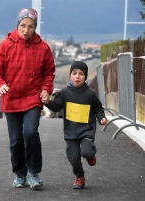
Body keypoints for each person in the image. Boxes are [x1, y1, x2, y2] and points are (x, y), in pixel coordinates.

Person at [0, 8, 55, 189]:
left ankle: (34, 173)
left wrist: (46, 89)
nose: (26, 30)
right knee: (16, 138)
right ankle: (20, 174)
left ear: (35, 27)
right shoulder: (5, 46)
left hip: (33, 97)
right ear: (17, 25)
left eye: (31, 26)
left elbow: (48, 73)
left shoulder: (43, 47)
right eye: (23, 25)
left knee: (30, 132)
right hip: (10, 97)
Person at [41, 61, 107, 189]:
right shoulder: (65, 92)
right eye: (74, 73)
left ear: (85, 76)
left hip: (86, 130)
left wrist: (101, 118)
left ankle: (90, 155)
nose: (77, 76)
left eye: (81, 74)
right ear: (70, 75)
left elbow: (98, 108)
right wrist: (48, 102)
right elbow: (56, 106)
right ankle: (79, 177)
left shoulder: (90, 94)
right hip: (71, 132)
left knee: (86, 152)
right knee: (73, 157)